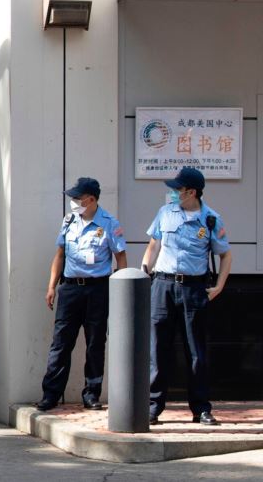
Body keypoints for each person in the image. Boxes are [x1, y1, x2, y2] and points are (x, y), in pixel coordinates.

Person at [141, 166, 232, 426]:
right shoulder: (164, 213)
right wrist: (144, 272)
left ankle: (201, 409)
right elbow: (153, 245)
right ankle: (153, 406)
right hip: (163, 285)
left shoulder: (211, 219)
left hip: (193, 289)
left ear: (191, 192)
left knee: (196, 352)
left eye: (177, 189)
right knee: (158, 348)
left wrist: (220, 286)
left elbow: (225, 254)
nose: (172, 193)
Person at [36, 177, 126, 411]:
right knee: (61, 343)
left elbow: (121, 258)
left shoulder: (109, 223)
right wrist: (51, 286)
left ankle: (91, 393)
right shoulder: (69, 221)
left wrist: (120, 291)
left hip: (98, 289)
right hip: (70, 288)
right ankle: (51, 394)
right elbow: (59, 254)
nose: (74, 202)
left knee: (95, 342)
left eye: (78, 198)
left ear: (92, 199)